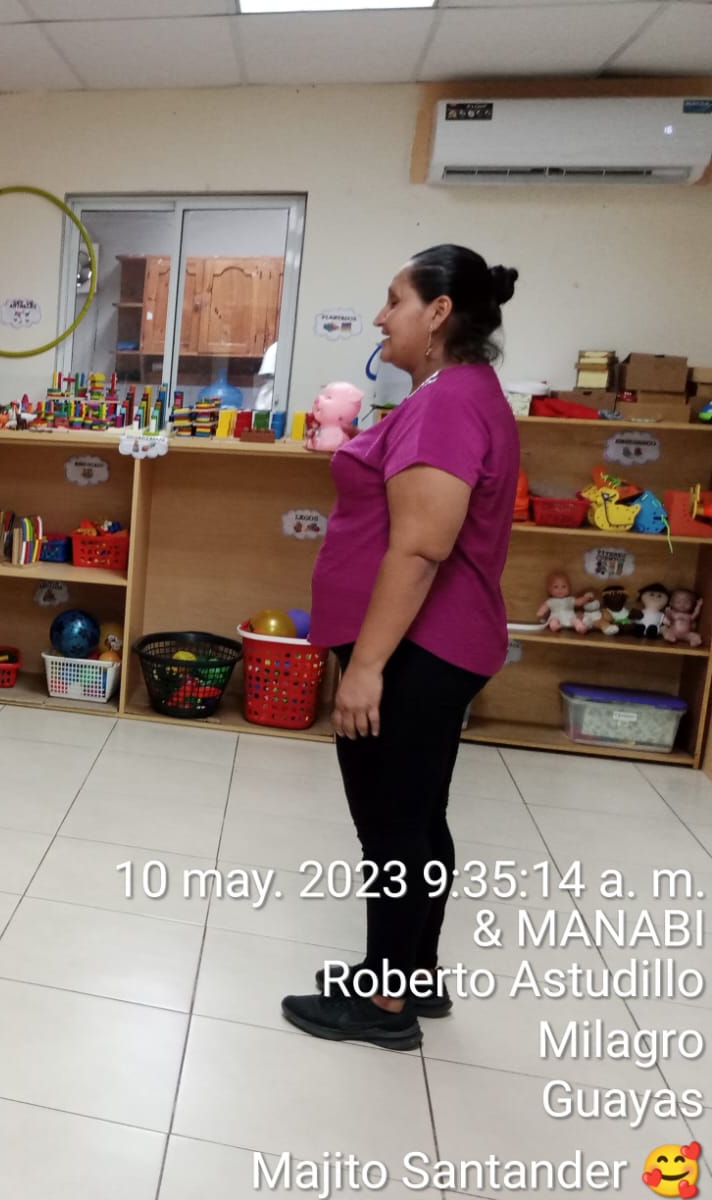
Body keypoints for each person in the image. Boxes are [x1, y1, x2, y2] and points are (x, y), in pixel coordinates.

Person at [282, 244, 520, 1051]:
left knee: (391, 827)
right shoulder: (458, 393)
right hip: (435, 646)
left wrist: (367, 668)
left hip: (418, 650)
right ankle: (411, 973)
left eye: (395, 300)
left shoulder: (447, 403)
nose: (381, 317)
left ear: (439, 312)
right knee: (418, 816)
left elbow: (421, 548)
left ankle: (385, 1006)